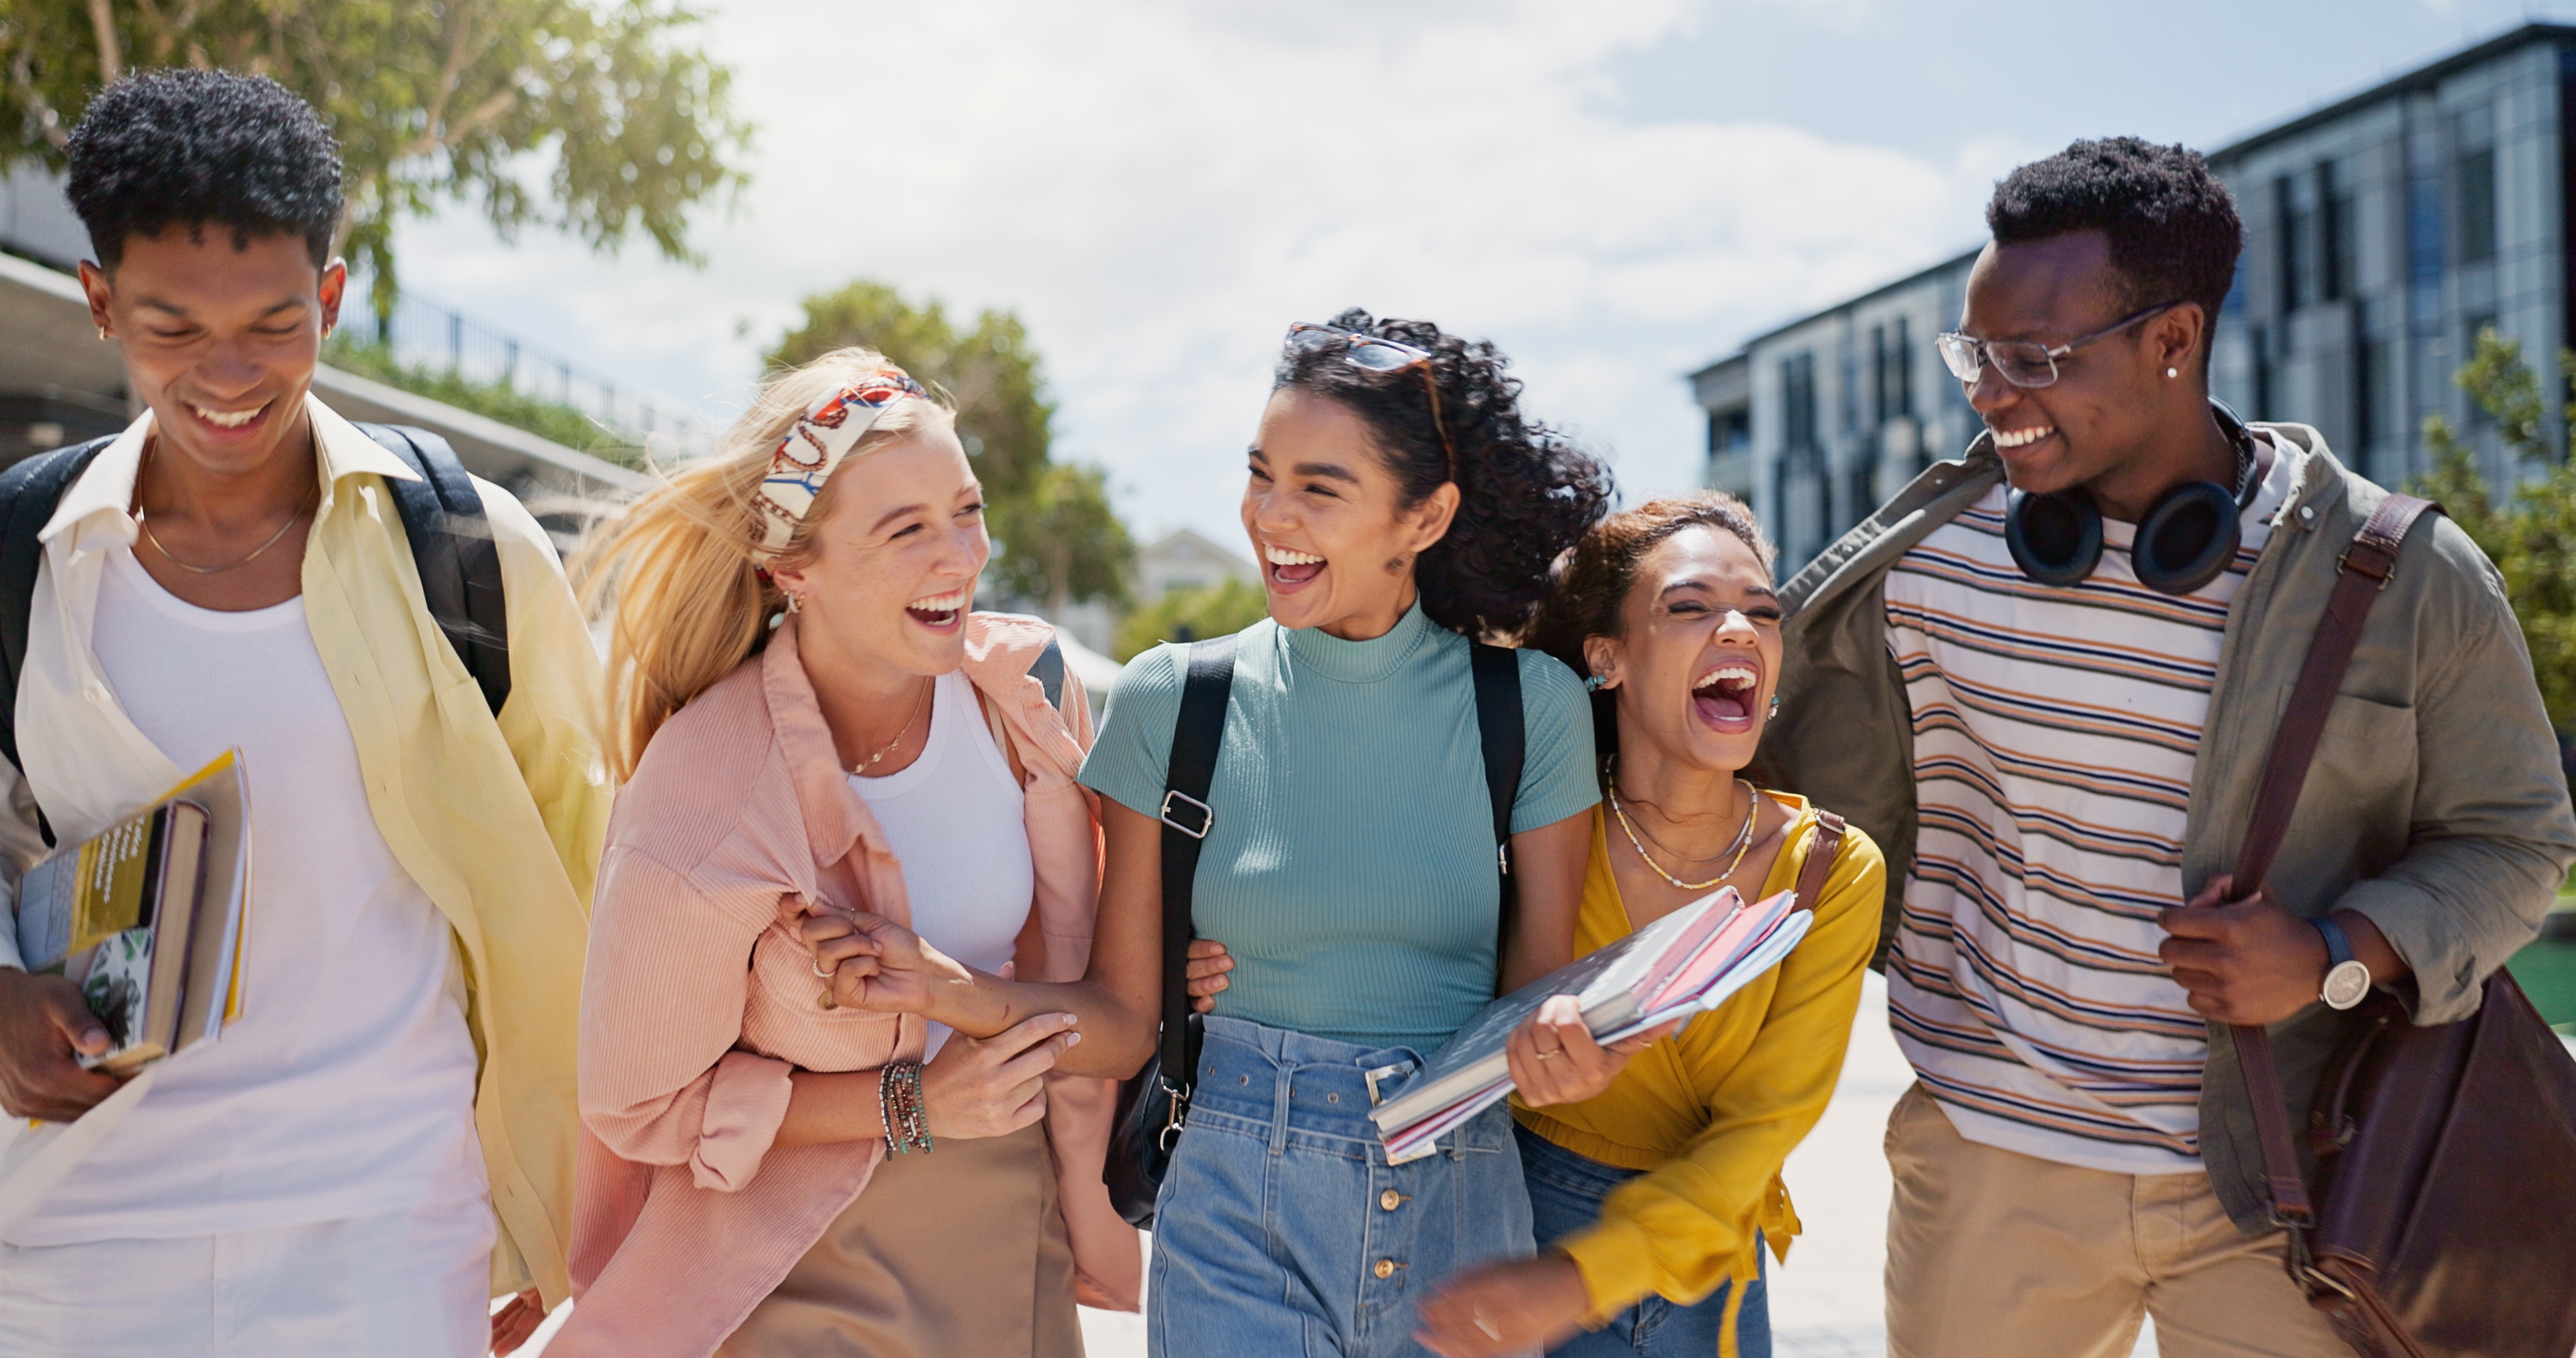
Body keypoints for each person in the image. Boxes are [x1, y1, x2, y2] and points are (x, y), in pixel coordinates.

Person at [1758, 137, 2576, 1358]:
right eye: (1973, 356)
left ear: (2172, 339)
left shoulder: (2401, 577)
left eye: (2033, 360)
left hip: (2287, 1178)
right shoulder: (1921, 566)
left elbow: (2514, 841)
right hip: (1987, 1164)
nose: (1989, 395)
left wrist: (2333, 955)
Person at [800, 310, 1644, 1358]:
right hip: (1236, 1207)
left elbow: (1533, 1002)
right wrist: (944, 990)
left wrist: (1573, 1053)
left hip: (1461, 1216)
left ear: (1425, 518)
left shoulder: (1529, 709)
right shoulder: (1174, 700)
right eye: (1260, 474)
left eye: (1319, 489)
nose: (1270, 516)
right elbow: (1122, 1024)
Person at [0, 72, 611, 1356]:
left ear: (330, 299)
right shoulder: (23, 556)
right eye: (172, 326)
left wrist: (552, 1204)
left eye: (274, 324)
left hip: (388, 1231)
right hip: (77, 1237)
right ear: (99, 301)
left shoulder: (471, 552)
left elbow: (588, 870)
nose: (228, 374)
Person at [554, 349, 1138, 1358]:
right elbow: (639, 1105)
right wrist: (911, 1104)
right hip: (791, 1263)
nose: (959, 557)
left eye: (966, 511)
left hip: (1013, 1235)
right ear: (794, 570)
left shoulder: (1028, 701)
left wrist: (961, 998)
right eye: (906, 530)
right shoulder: (706, 787)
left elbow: (1108, 1012)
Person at [1407, 494, 1885, 1358]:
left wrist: (1583, 1278)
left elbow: (1761, 1131)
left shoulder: (1831, 869)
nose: (1739, 629)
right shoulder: (1538, 827)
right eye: (1691, 606)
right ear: (1608, 657)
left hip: (1705, 1260)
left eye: (1762, 613)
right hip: (1507, 1232)